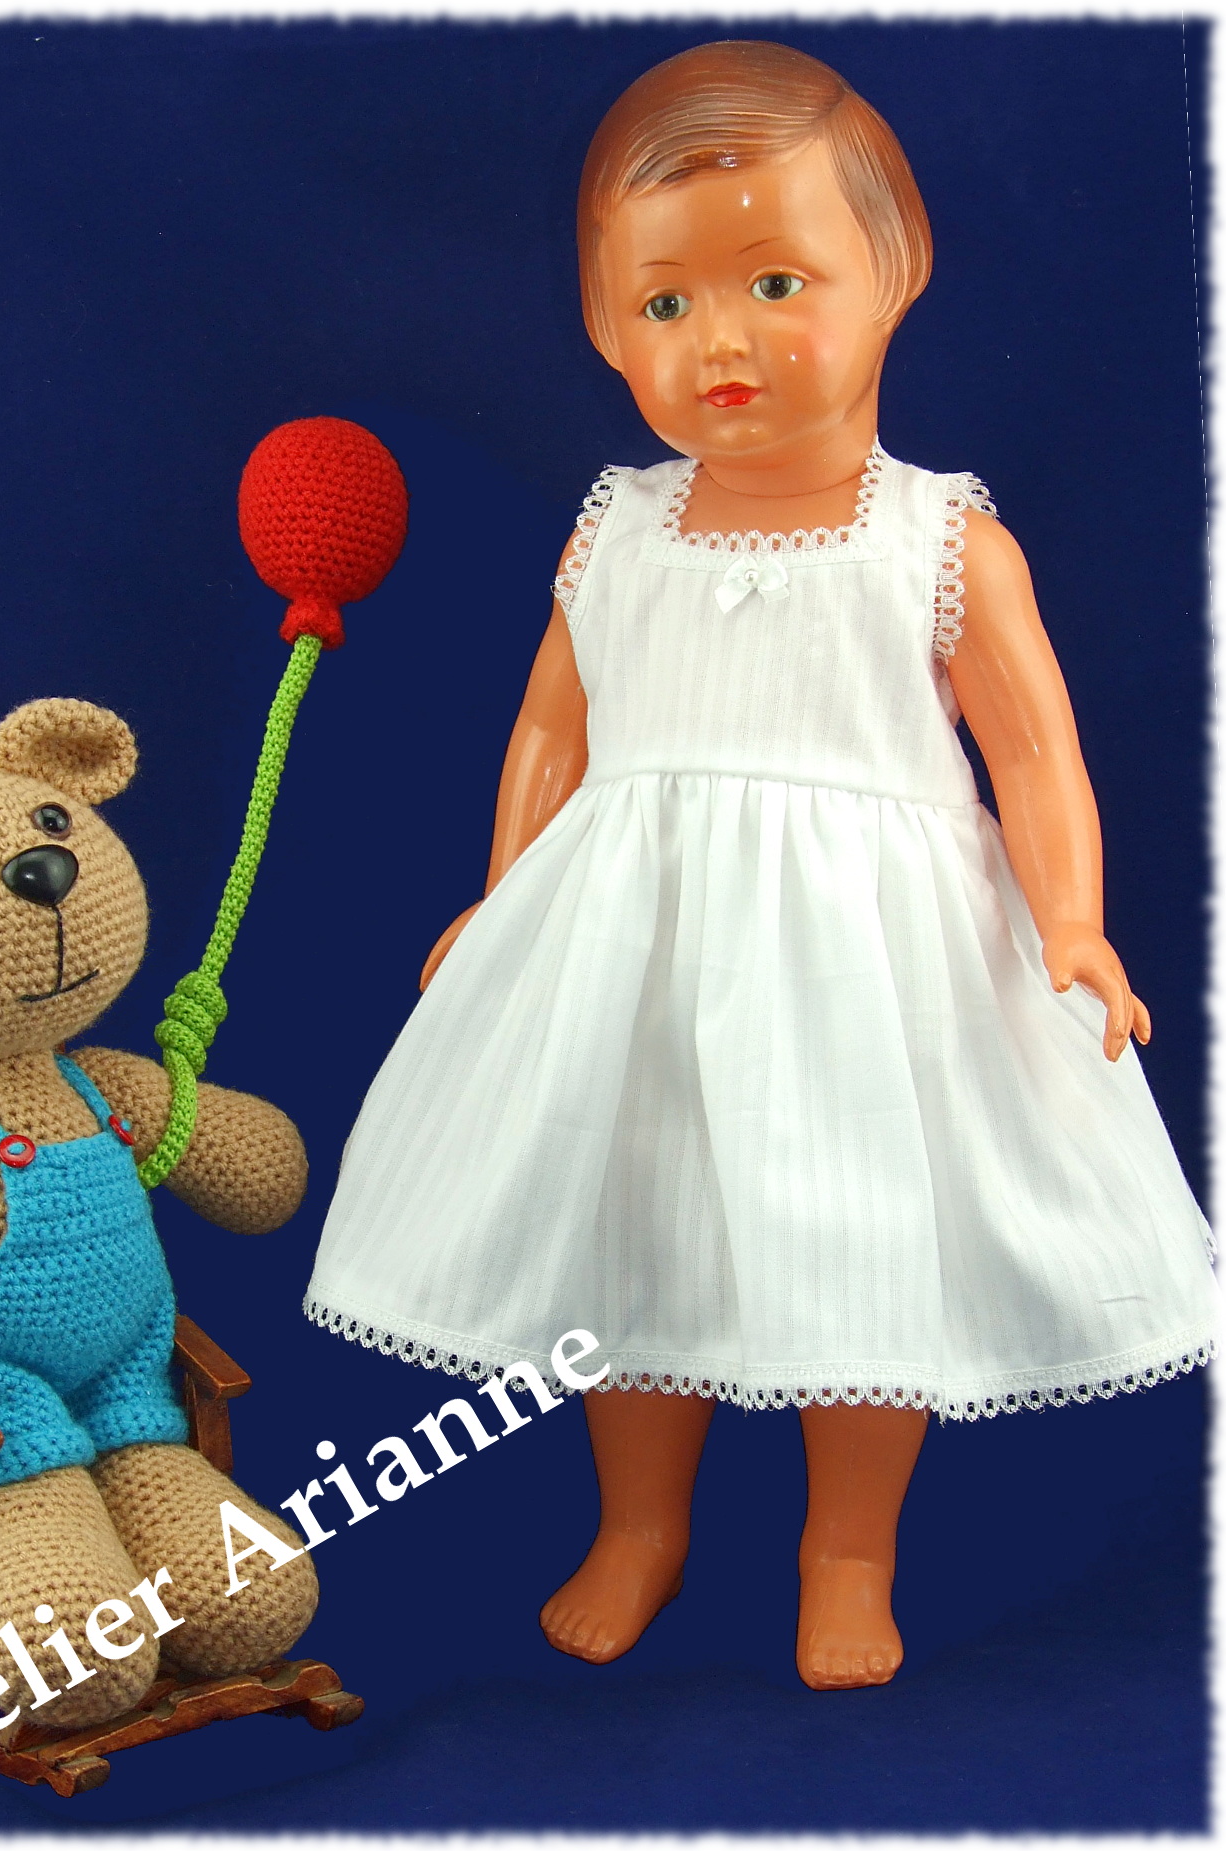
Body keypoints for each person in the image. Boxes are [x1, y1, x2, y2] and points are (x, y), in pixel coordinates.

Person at [304, 40, 1219, 1689]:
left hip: (868, 969)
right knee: (631, 1227)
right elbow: (553, 728)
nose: (718, 341)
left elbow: (1033, 753)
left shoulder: (935, 540)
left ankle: (847, 1546)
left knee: (860, 1249)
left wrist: (1073, 922)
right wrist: (506, 898)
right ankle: (639, 1525)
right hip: (640, 951)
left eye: (776, 283)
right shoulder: (619, 532)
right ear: (605, 328)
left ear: (894, 276)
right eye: (663, 305)